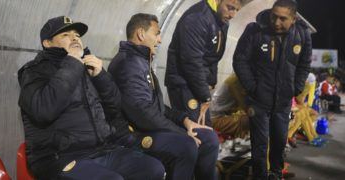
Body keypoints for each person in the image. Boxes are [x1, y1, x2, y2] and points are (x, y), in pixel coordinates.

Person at [17, 16, 165, 180]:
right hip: (58, 157)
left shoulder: (88, 66)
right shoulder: (34, 71)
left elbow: (115, 108)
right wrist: (72, 62)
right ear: (47, 43)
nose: (74, 38)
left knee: (153, 168)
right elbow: (43, 110)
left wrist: (100, 76)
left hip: (101, 148)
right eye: (65, 35)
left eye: (77, 35)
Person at [108, 13, 219, 180]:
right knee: (185, 145)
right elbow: (142, 113)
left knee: (209, 138)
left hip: (146, 128)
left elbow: (156, 106)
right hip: (131, 135)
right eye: (157, 33)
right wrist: (180, 133)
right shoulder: (128, 64)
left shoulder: (141, 61)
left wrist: (185, 121)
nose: (159, 40)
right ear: (141, 34)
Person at [232, 0, 312, 179]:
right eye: (273, 16)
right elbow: (240, 60)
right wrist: (253, 88)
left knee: (279, 142)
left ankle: (276, 174)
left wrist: (296, 88)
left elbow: (304, 65)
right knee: (259, 145)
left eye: (282, 19)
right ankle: (259, 176)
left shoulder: (302, 35)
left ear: (293, 18)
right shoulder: (254, 30)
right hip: (259, 101)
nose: (276, 22)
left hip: (283, 102)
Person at [165, 0, 243, 126]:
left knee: (203, 132)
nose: (233, 14)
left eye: (237, 10)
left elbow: (212, 58)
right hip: (184, 84)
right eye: (230, 7)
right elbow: (192, 61)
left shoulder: (220, 20)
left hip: (198, 86)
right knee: (199, 134)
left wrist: (210, 84)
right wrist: (205, 96)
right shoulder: (198, 17)